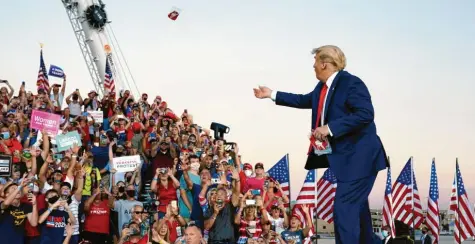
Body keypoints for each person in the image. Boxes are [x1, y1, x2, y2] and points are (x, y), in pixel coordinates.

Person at [253, 45, 389, 244]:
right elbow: (304, 100)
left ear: (325, 63)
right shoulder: (321, 88)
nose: (313, 66)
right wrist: (272, 94)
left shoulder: (351, 83)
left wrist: (330, 128)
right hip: (347, 162)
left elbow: (365, 114)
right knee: (358, 213)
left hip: (360, 158)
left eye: (315, 61)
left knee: (344, 209)